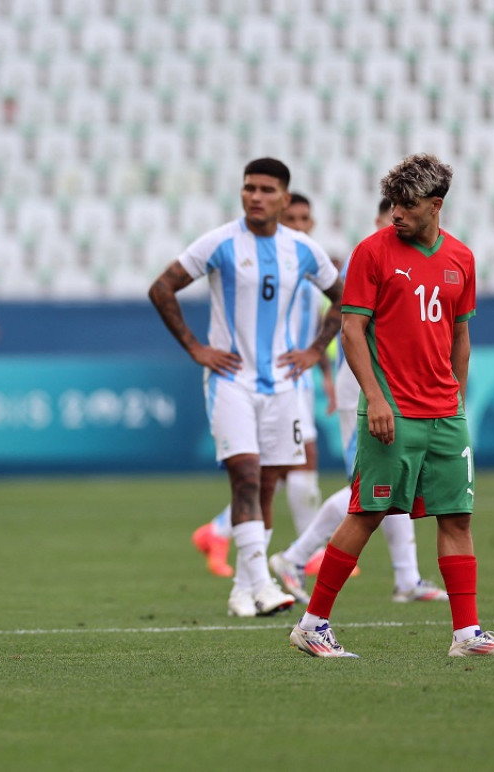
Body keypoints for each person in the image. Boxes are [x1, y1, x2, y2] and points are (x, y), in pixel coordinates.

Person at [290, 154, 494, 658]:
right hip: (391, 412)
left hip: (445, 415)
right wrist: (375, 398)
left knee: (457, 518)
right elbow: (352, 330)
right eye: (393, 203)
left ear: (436, 206)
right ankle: (312, 624)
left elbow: (460, 334)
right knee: (368, 512)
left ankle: (466, 635)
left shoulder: (460, 258)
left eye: (407, 204)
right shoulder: (372, 253)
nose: (395, 213)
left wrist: (457, 399)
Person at [149, 158, 343, 618]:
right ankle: (263, 583)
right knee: (247, 477)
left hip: (283, 385)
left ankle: (242, 591)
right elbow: (162, 288)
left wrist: (316, 350)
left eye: (266, 189)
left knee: (268, 486)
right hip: (230, 381)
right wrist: (196, 347)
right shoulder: (220, 242)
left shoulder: (304, 250)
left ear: (284, 197)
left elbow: (345, 297)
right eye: (248, 187)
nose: (255, 196)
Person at [270, 198, 447, 605]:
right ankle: (296, 558)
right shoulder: (368, 258)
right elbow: (350, 326)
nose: (399, 223)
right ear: (380, 219)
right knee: (370, 484)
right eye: (392, 216)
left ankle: (406, 578)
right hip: (365, 388)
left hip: (391, 386)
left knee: (394, 480)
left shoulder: (414, 262)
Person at [190, 193, 332, 581]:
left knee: (278, 471)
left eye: (306, 218)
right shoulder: (281, 273)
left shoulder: (306, 270)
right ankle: (307, 552)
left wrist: (326, 375)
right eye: (293, 218)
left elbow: (317, 327)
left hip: (296, 381)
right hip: (271, 381)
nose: (300, 225)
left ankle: (220, 532)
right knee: (290, 466)